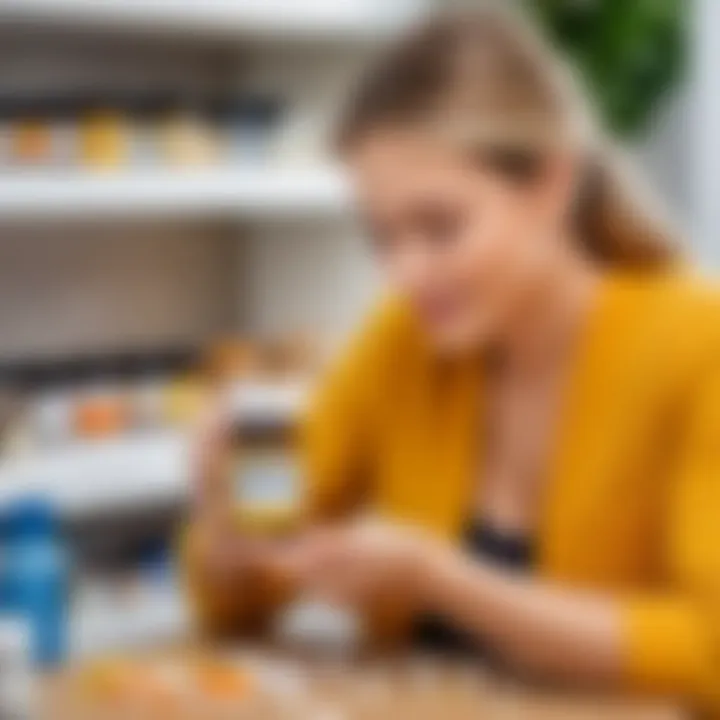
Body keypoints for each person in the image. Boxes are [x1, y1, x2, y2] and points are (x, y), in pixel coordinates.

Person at [184, 3, 720, 714]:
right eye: (383, 238)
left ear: (550, 187)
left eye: (440, 228)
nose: (406, 274)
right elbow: (247, 602)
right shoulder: (402, 345)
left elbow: (709, 651)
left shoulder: (696, 345)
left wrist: (441, 579)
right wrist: (230, 520)